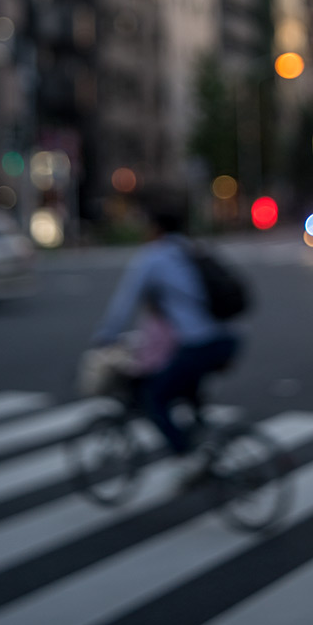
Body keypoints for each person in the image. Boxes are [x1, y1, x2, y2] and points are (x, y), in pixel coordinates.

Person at [91, 204, 240, 476]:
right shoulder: (193, 250)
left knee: (154, 398)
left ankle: (189, 459)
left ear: (155, 229)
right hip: (227, 338)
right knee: (186, 391)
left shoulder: (153, 258)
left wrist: (105, 337)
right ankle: (206, 443)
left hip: (199, 344)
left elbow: (124, 303)